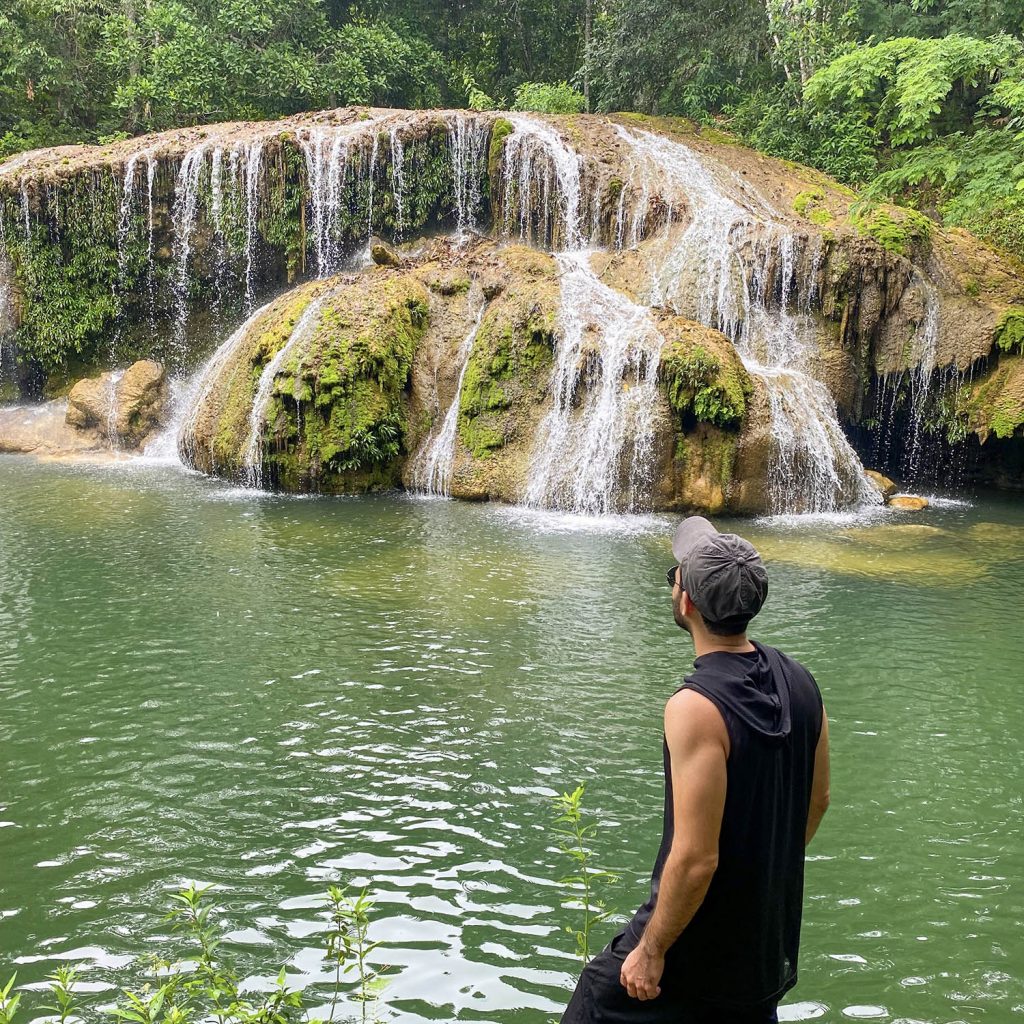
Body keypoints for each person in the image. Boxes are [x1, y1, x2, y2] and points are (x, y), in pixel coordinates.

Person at [561, 516, 831, 1024]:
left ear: (685, 602)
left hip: (692, 943)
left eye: (675, 577)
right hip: (760, 942)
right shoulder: (801, 682)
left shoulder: (695, 708)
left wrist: (651, 949)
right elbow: (817, 802)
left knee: (594, 1002)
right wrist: (757, 874)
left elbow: (695, 858)